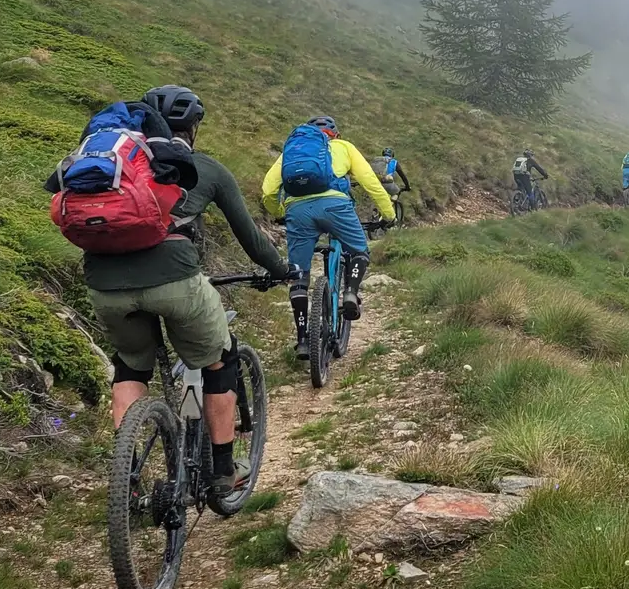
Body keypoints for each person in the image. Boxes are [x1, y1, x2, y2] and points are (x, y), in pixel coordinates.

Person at [50, 85, 290, 501]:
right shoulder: (205, 168)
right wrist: (281, 270)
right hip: (175, 281)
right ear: (192, 128)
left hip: (105, 287)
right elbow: (251, 238)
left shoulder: (106, 166)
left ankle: (126, 477)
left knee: (130, 369)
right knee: (220, 360)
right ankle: (221, 469)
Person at [262, 115, 397, 349]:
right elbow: (370, 182)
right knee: (359, 251)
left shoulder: (292, 152)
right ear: (335, 134)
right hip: (336, 207)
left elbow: (268, 190)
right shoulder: (343, 147)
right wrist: (389, 214)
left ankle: (303, 339)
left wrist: (280, 211)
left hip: (298, 210)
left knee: (298, 275)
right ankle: (350, 293)